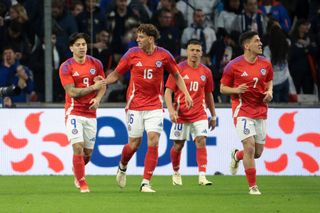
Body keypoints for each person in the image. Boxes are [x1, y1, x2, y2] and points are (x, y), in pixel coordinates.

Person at [105, 23, 193, 193]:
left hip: (154, 105)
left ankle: (145, 182)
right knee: (134, 144)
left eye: (141, 36)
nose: (137, 39)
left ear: (151, 39)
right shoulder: (132, 54)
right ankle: (122, 166)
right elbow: (116, 74)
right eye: (137, 36)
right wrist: (104, 82)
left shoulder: (164, 55)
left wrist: (186, 94)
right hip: (135, 105)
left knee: (153, 140)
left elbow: (176, 75)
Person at [220, 31, 273, 195]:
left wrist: (269, 91)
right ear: (247, 45)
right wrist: (236, 90)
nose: (260, 43)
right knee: (249, 146)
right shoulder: (233, 65)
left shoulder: (266, 64)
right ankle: (253, 186)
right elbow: (222, 88)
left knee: (256, 153)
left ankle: (237, 156)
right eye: (257, 41)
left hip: (261, 111)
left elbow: (269, 81)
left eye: (260, 41)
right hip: (242, 110)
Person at [164, 39, 217, 186]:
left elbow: (209, 95)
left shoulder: (206, 72)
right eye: (192, 50)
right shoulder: (178, 69)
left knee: (201, 140)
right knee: (178, 145)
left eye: (198, 50)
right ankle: (175, 172)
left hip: (199, 113)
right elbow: (167, 93)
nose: (195, 53)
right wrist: (171, 111)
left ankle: (202, 176)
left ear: (202, 53)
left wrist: (213, 115)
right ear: (187, 52)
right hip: (181, 114)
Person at [59, 33, 106, 193]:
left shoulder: (96, 63)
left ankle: (77, 169)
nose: (81, 47)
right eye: (78, 45)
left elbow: (103, 85)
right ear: (71, 48)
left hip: (90, 114)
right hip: (74, 112)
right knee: (77, 147)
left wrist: (98, 99)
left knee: (87, 154)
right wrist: (93, 88)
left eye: (84, 44)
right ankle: (82, 183)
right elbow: (71, 92)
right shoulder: (66, 66)